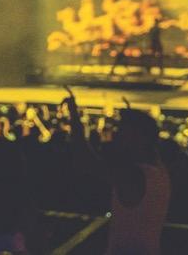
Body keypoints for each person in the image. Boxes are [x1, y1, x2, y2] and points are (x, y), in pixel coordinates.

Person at [65, 93, 170, 255]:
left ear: (138, 138)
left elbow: (86, 161)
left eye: (122, 132)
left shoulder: (135, 177)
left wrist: (74, 115)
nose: (116, 137)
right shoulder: (159, 171)